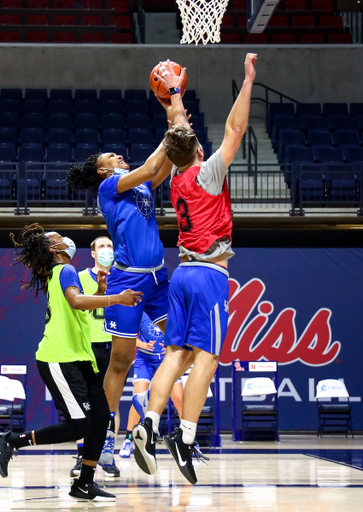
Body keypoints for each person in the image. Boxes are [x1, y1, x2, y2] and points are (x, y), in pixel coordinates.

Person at [133, 55, 257, 485]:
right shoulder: (208, 173)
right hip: (208, 276)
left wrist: (175, 96)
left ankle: (148, 421)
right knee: (208, 356)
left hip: (180, 272)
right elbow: (236, 130)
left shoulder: (177, 178)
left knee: (175, 354)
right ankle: (184, 437)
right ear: (199, 152)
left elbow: (179, 132)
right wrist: (247, 82)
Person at [64, 104, 180, 470]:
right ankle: (104, 441)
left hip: (159, 276)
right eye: (112, 155)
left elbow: (161, 168)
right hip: (128, 278)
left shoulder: (141, 186)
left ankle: (150, 424)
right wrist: (168, 134)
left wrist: (176, 119)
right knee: (121, 362)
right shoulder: (109, 186)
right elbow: (149, 165)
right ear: (103, 169)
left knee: (171, 348)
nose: (119, 155)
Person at [0, 223, 142, 503]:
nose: (66, 240)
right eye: (60, 238)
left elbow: (80, 308)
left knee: (101, 420)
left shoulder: (59, 273)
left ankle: (85, 484)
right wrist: (117, 298)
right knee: (82, 424)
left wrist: (98, 293)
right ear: (54, 249)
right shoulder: (66, 270)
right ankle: (11, 441)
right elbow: (75, 301)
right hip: (59, 358)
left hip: (80, 359)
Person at [70, 235, 121, 478]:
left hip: (114, 343)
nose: (106, 250)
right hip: (87, 345)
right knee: (85, 402)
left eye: (109, 246)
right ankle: (83, 454)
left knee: (111, 403)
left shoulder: (122, 276)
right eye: (101, 246)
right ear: (92, 253)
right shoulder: (79, 278)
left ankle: (107, 454)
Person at [119, 312, 183, 458]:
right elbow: (130, 337)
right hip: (144, 360)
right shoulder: (141, 312)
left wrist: (171, 346)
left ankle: (188, 440)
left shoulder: (171, 311)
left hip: (166, 360)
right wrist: (145, 345)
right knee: (139, 399)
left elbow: (181, 334)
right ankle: (129, 440)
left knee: (179, 398)